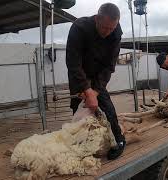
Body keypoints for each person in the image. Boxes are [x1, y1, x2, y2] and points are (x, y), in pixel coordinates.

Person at [65, 3, 125, 160]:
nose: (108, 32)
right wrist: (86, 89)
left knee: (107, 108)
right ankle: (80, 144)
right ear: (97, 18)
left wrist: (96, 91)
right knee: (79, 108)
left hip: (99, 73)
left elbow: (109, 66)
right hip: (79, 73)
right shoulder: (79, 28)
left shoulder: (116, 33)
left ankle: (118, 140)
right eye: (105, 27)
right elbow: (73, 63)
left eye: (112, 28)